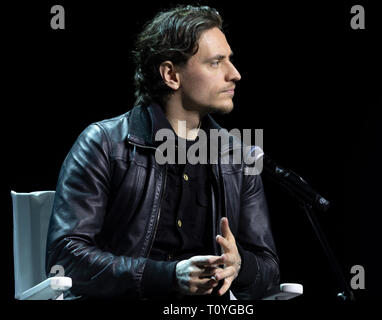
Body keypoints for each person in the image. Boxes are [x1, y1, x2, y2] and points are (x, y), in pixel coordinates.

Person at [46, 4, 279, 300]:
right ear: (171, 75)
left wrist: (240, 266)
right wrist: (166, 277)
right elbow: (65, 260)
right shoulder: (103, 144)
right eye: (216, 62)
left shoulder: (237, 156)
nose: (235, 74)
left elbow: (269, 271)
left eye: (229, 61)